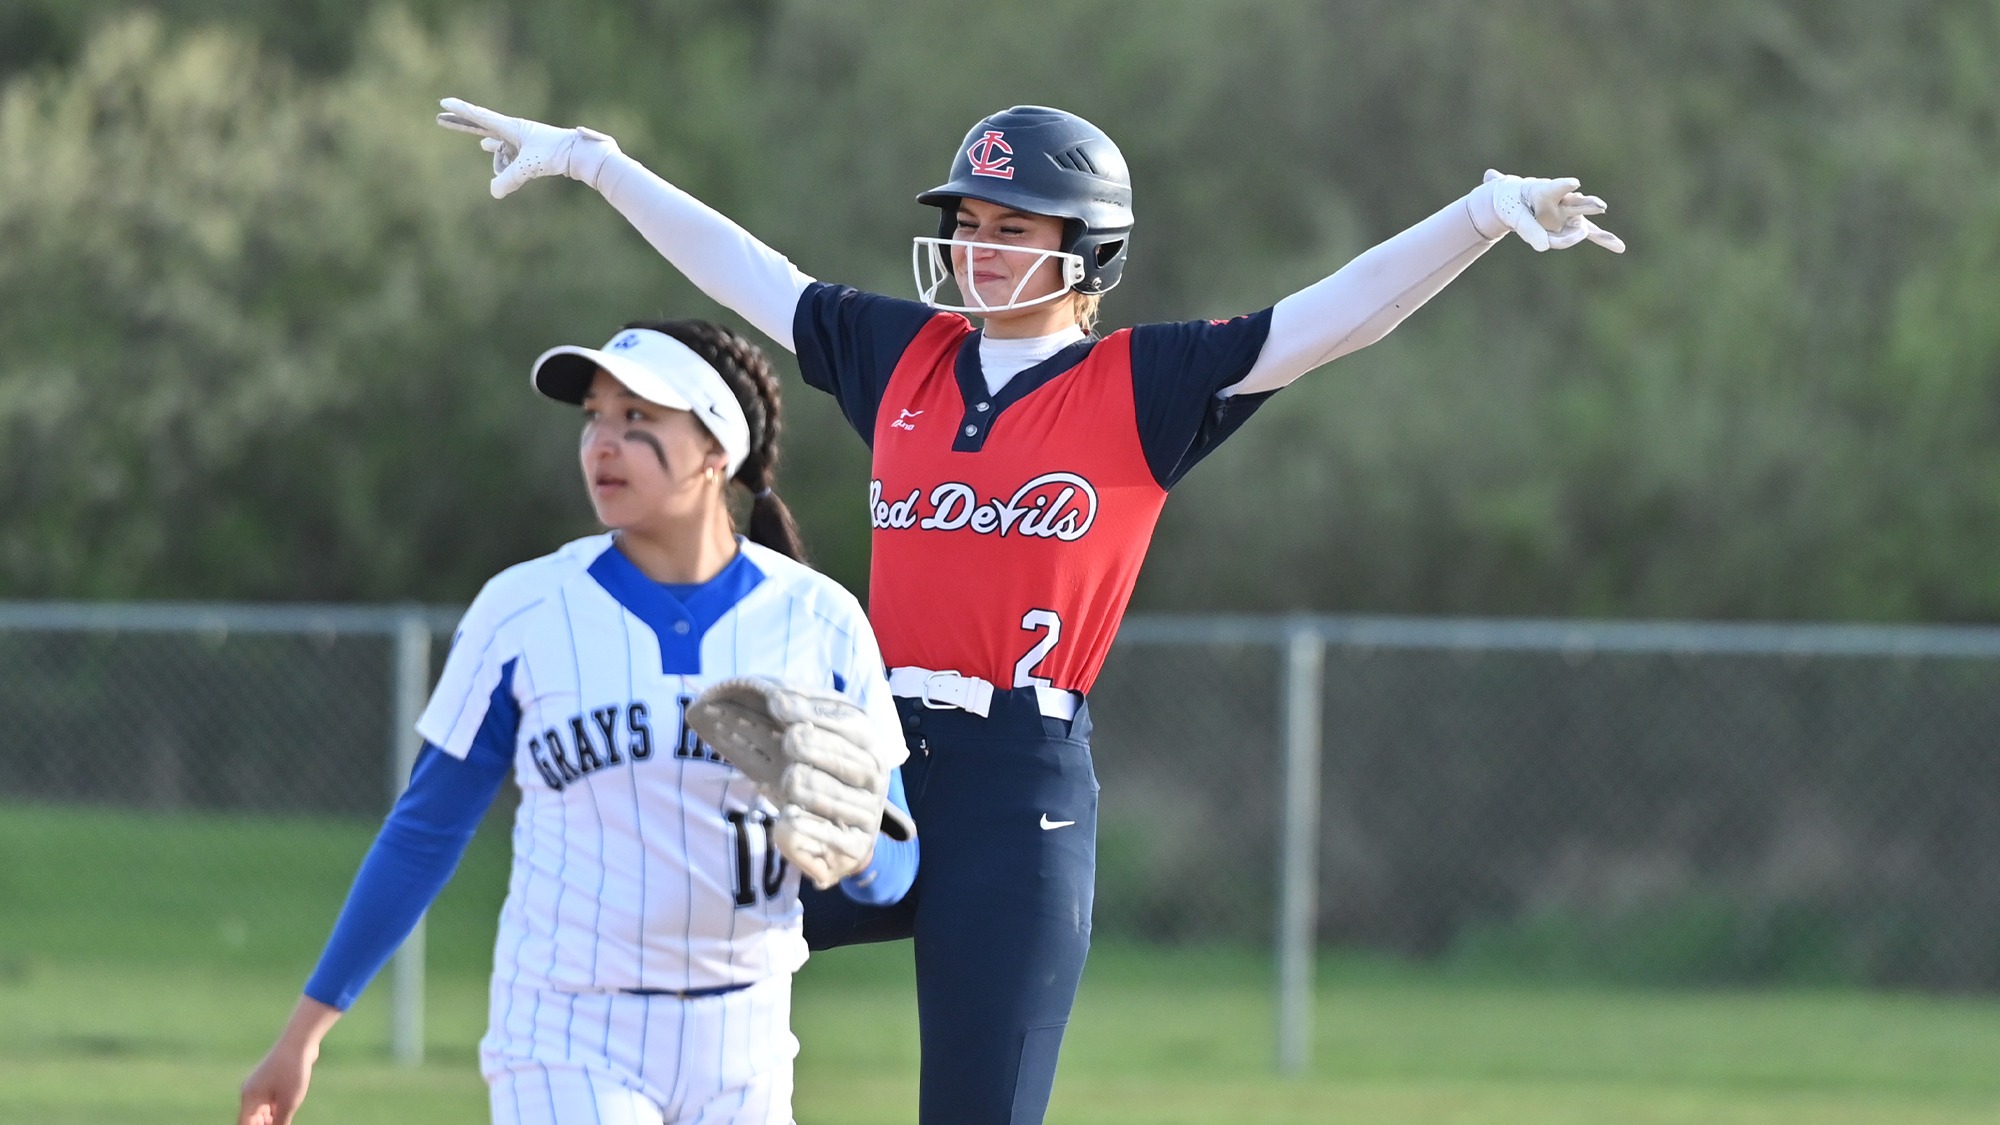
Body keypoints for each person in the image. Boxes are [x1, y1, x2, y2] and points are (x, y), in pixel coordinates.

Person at [436, 97, 1624, 1124]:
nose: (976, 247)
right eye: (965, 224)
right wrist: (593, 158)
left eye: (1011, 228)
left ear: (1087, 250)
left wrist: (1478, 216)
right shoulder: (904, 353)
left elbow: (1334, 316)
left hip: (1022, 788)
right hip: (871, 762)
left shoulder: (1143, 382)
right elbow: (747, 272)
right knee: (655, 940)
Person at [237, 319, 918, 1125]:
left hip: (747, 1036)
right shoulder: (524, 612)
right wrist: (305, 1032)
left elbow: (896, 868)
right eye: (595, 416)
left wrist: (858, 852)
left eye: (639, 419)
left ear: (714, 451)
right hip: (567, 1027)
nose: (603, 441)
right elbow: (424, 832)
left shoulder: (819, 620)